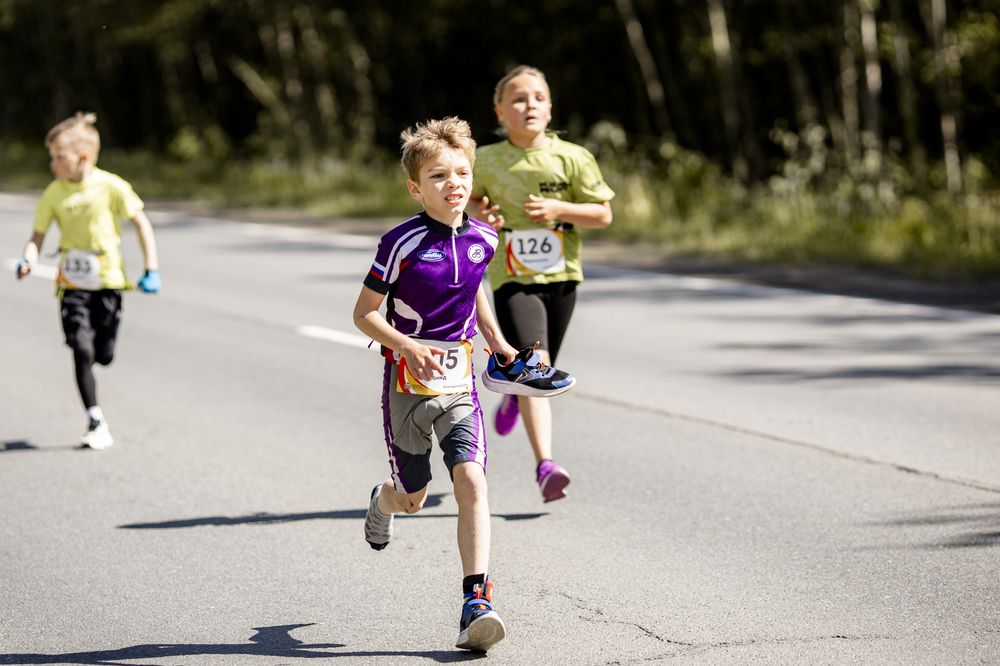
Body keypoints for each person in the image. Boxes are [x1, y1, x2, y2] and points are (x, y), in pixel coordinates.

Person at [353, 117, 517, 653]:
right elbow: (364, 314)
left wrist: (498, 342)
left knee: (471, 479)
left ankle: (477, 601)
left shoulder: (484, 238)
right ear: (415, 187)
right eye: (439, 175)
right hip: (406, 386)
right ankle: (383, 500)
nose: (454, 184)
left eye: (462, 173)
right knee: (415, 497)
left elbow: (473, 293)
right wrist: (406, 345)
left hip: (459, 384)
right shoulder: (399, 242)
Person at [471, 65, 616, 503]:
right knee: (539, 368)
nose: (529, 104)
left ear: (550, 107)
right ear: (500, 110)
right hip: (513, 276)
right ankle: (545, 465)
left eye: (538, 97)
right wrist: (481, 213)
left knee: (540, 365)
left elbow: (603, 214)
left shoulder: (572, 157)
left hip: (563, 277)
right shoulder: (486, 159)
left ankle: (514, 397)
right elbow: (463, 201)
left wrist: (558, 208)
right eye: (518, 98)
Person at [15, 112, 160, 450]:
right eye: (51, 157)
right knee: (81, 350)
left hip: (108, 283)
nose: (52, 164)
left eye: (58, 157)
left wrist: (151, 268)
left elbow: (141, 223)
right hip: (72, 285)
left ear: (82, 157)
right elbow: (37, 236)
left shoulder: (111, 186)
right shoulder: (53, 193)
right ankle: (95, 418)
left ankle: (98, 364)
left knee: (104, 354)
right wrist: (29, 259)